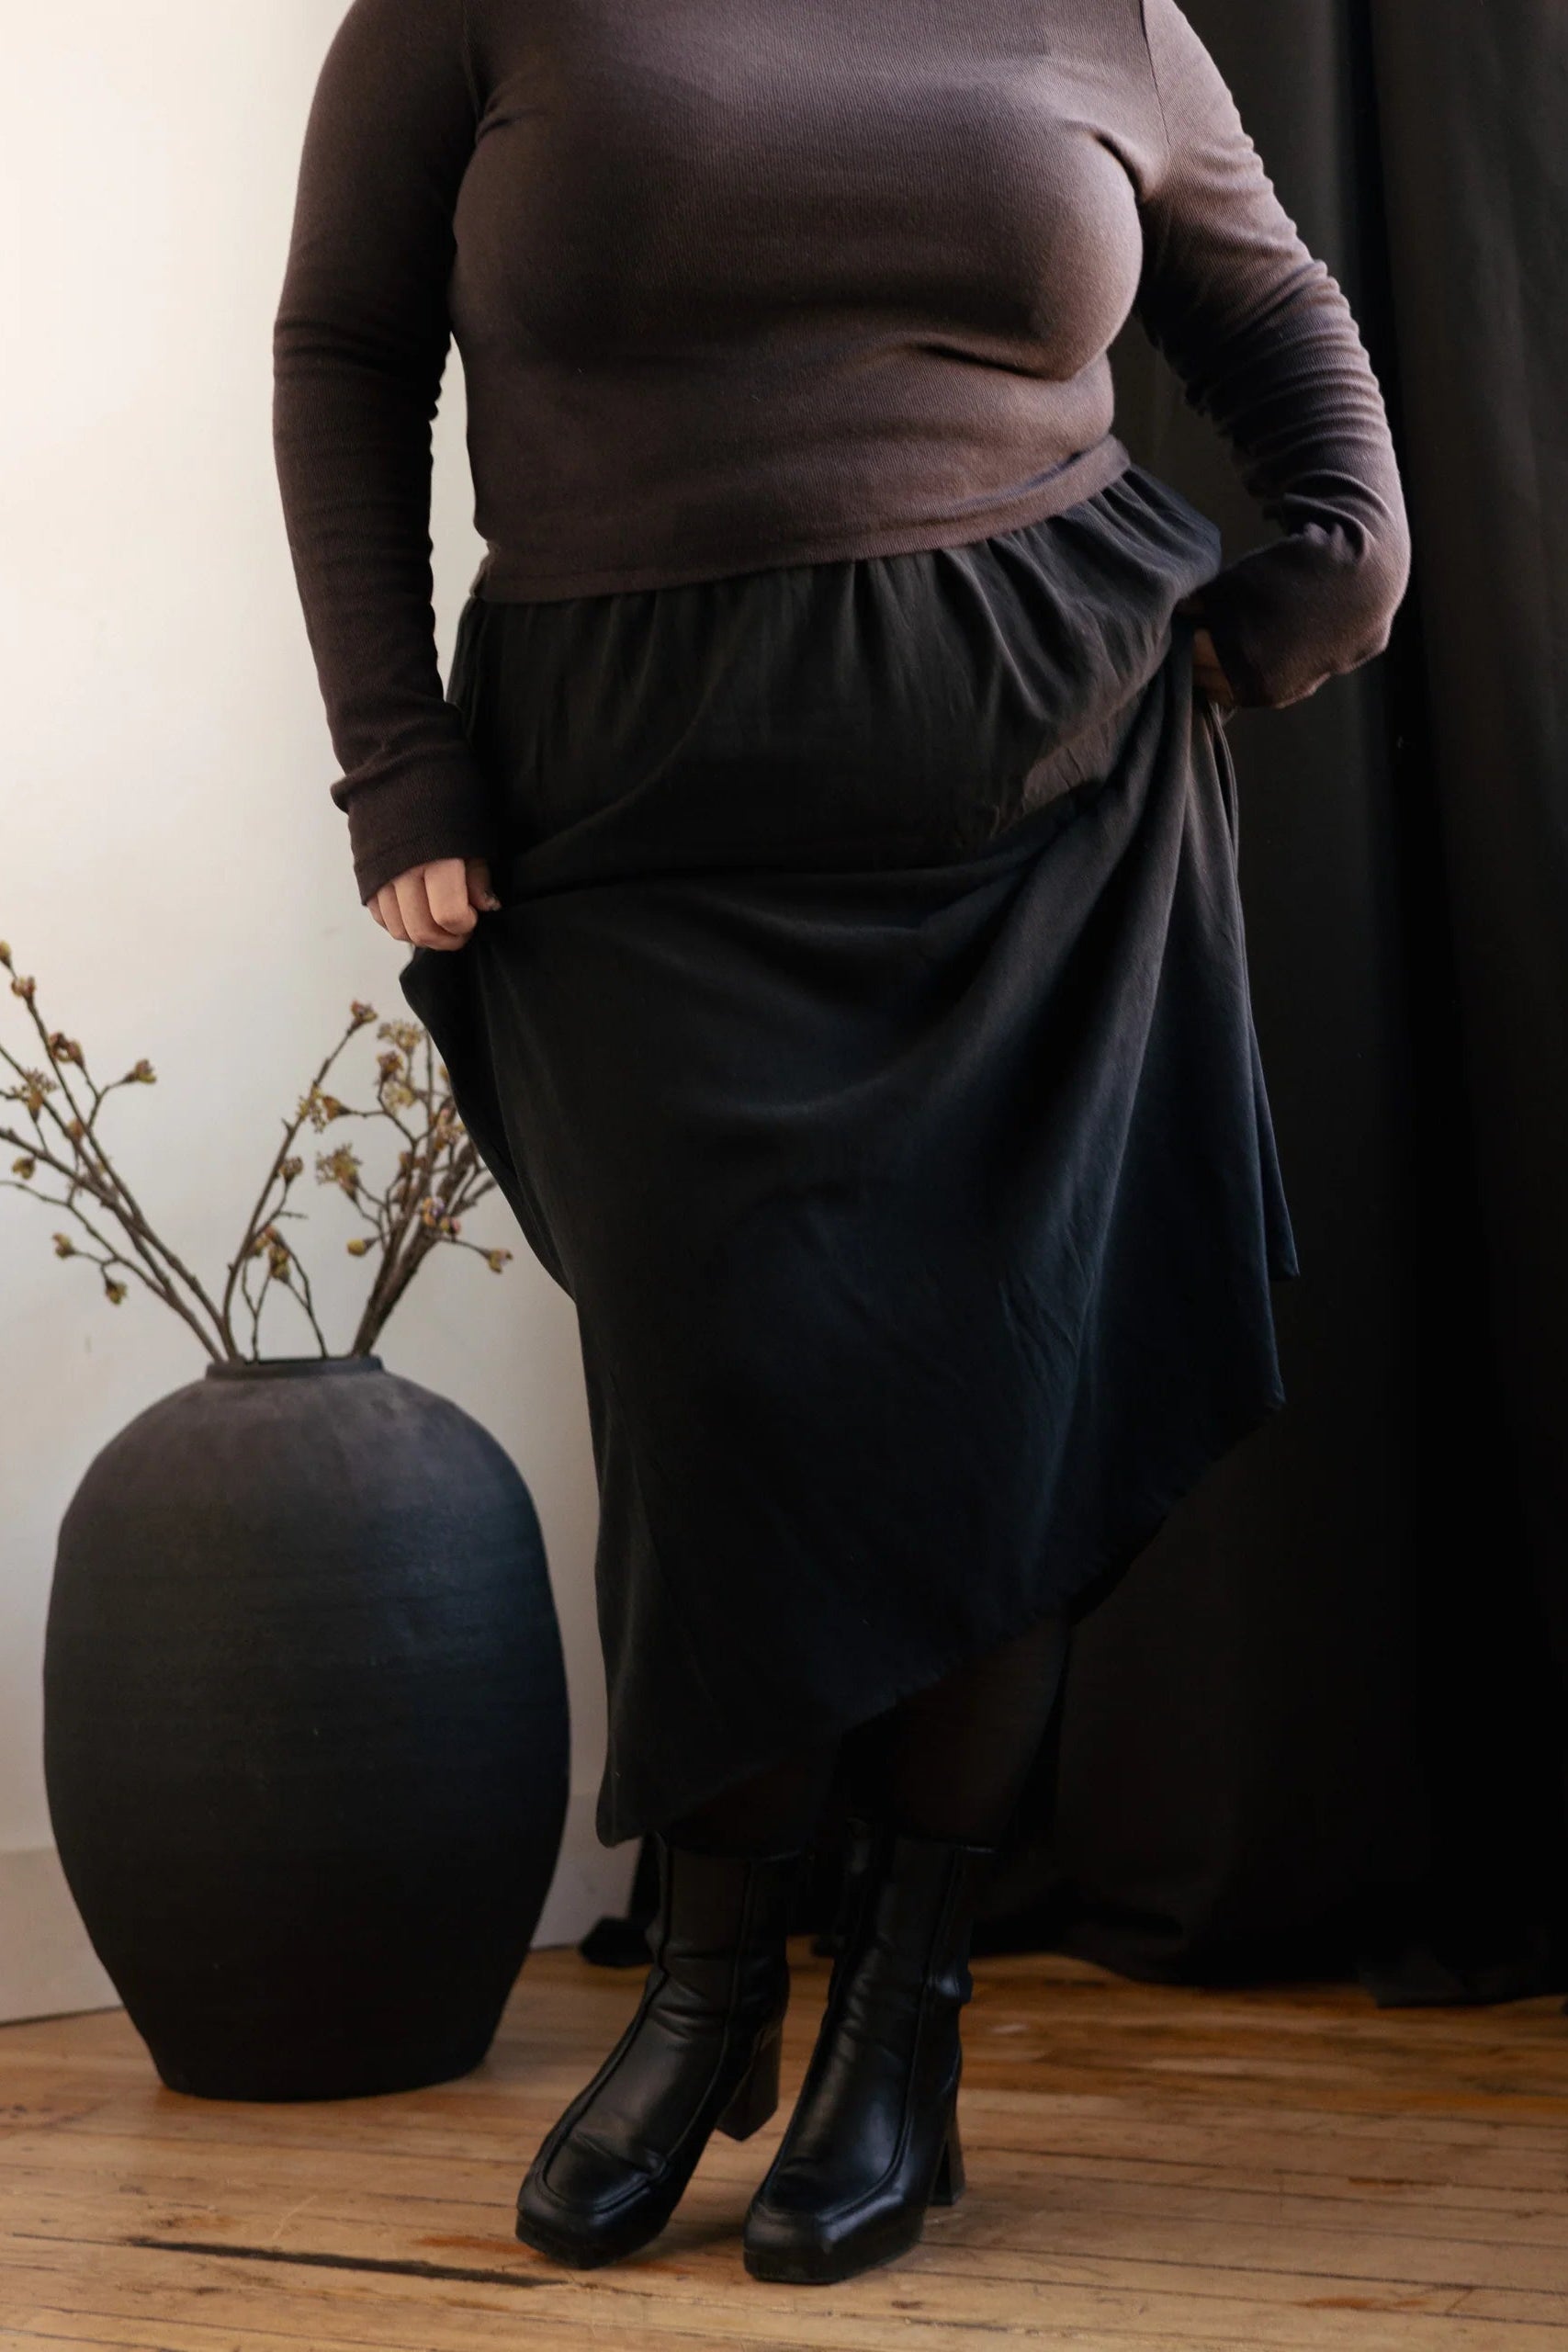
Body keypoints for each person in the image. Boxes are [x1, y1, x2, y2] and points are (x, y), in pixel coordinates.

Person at [272, 0, 1410, 2288]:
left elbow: (1268, 291)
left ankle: (902, 2007)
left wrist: (1343, 557)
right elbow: (346, 345)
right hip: (629, 802)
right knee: (719, 1410)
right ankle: (708, 1984)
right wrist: (393, 755)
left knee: (1002, 1394)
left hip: (1053, 787)